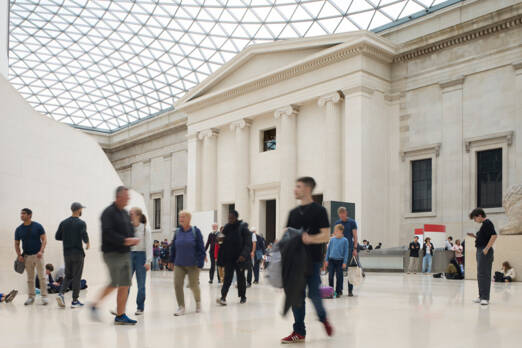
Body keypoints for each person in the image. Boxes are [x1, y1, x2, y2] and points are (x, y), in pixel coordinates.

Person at [281, 177, 333, 344]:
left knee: (314, 294)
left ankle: (323, 318)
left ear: (308, 189)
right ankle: (299, 331)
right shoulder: (293, 213)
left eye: (298, 186)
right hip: (295, 262)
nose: (295, 189)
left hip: (313, 260)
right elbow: (286, 233)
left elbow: (325, 235)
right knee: (296, 295)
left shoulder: (319, 211)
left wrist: (310, 239)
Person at [90, 186, 139, 325]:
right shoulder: (108, 213)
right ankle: (94, 305)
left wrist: (132, 232)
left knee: (125, 285)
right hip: (112, 253)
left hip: (125, 253)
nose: (128, 198)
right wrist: (124, 240)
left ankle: (120, 315)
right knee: (114, 282)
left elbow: (129, 231)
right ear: (119, 196)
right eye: (126, 196)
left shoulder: (125, 213)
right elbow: (108, 233)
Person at [169, 211, 205, 316]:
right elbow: (174, 247)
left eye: (183, 217)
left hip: (193, 264)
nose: (181, 219)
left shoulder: (195, 231)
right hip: (179, 263)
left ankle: (198, 302)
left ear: (189, 219)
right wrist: (171, 260)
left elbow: (201, 248)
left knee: (193, 285)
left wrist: (200, 262)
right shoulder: (177, 232)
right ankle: (181, 306)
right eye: (179, 217)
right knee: (177, 285)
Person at [55, 202, 90, 309]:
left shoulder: (63, 223)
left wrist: (67, 238)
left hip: (67, 253)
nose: (81, 211)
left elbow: (57, 236)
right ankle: (75, 301)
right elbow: (84, 234)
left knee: (68, 275)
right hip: (78, 253)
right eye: (81, 209)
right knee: (77, 277)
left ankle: (61, 294)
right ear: (78, 209)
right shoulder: (81, 223)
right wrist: (87, 242)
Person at [14, 208, 49, 306]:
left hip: (38, 256)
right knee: (30, 278)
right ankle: (31, 297)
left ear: (30, 215)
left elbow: (44, 239)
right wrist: (19, 255)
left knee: (42, 277)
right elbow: (16, 244)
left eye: (24, 214)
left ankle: (44, 297)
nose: (21, 215)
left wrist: (41, 251)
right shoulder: (18, 229)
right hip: (26, 257)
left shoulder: (38, 226)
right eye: (21, 213)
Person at [216, 210, 251, 306]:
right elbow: (220, 242)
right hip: (229, 258)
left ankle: (243, 296)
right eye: (228, 218)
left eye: (231, 218)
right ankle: (223, 297)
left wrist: (243, 255)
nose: (229, 220)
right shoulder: (227, 227)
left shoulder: (243, 227)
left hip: (240, 258)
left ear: (236, 218)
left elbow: (248, 244)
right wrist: (219, 237)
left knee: (241, 278)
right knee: (227, 277)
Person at [467, 208, 497, 306]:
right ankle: (481, 296)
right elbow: (484, 238)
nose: (475, 221)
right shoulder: (484, 225)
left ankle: (485, 298)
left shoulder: (488, 223)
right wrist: (475, 237)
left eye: (475, 219)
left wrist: (487, 249)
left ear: (479, 216)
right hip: (480, 250)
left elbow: (494, 236)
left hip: (484, 251)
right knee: (480, 274)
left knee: (484, 274)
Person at [129, 207, 152, 315]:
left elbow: (148, 246)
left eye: (132, 214)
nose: (130, 216)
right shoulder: (129, 228)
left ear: (138, 216)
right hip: (129, 256)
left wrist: (148, 261)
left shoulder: (145, 229)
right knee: (125, 283)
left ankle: (140, 307)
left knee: (141, 284)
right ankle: (120, 306)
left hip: (141, 256)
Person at [333, 206, 358, 297]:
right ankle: (339, 290)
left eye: (343, 213)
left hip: (350, 249)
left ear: (346, 213)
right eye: (340, 214)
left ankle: (350, 290)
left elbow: (355, 236)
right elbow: (335, 235)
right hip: (339, 250)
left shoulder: (352, 222)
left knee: (350, 270)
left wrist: (355, 248)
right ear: (339, 214)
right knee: (339, 271)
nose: (342, 215)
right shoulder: (337, 223)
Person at [325, 224, 349, 297]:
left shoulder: (345, 240)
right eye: (335, 230)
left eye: (336, 230)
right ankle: (330, 291)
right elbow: (328, 250)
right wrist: (326, 260)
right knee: (330, 276)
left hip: (340, 261)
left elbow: (346, 252)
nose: (335, 232)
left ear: (341, 231)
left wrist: (344, 262)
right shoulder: (332, 239)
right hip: (331, 260)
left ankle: (338, 291)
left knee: (339, 277)